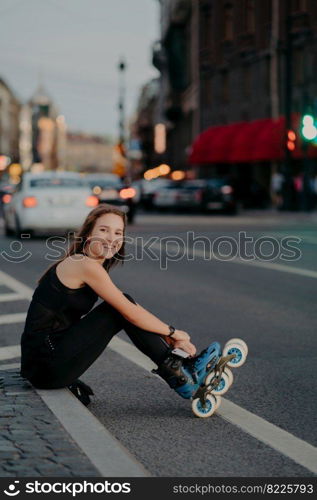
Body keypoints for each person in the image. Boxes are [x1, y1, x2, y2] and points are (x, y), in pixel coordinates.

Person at [20, 204, 218, 406]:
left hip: (44, 363)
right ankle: (180, 374)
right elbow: (129, 312)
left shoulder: (89, 264)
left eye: (118, 232)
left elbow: (131, 308)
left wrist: (170, 336)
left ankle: (180, 368)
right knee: (117, 310)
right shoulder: (83, 264)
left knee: (121, 305)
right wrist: (175, 333)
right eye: (103, 230)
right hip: (45, 366)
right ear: (89, 234)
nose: (111, 238)